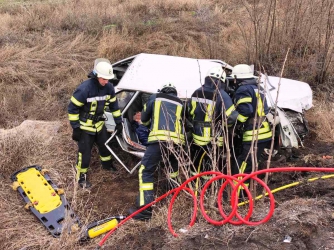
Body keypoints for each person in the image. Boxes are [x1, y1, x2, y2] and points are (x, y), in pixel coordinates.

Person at [128, 83, 186, 220]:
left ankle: (144, 209)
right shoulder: (181, 103)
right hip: (177, 143)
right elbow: (184, 122)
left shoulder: (155, 97)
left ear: (162, 90)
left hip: (159, 141)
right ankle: (173, 197)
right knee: (173, 170)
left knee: (146, 170)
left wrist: (151, 124)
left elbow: (144, 119)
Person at [68, 58, 123, 188]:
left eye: (108, 79)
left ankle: (107, 166)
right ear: (97, 75)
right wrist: (76, 128)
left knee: (105, 147)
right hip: (85, 127)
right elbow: (72, 109)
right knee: (84, 153)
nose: (106, 81)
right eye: (104, 79)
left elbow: (114, 106)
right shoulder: (84, 89)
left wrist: (118, 122)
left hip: (99, 125)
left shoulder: (109, 88)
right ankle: (81, 178)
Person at [187, 66, 239, 175]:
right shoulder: (222, 95)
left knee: (195, 163)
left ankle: (193, 185)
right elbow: (232, 117)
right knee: (209, 165)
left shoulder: (196, 92)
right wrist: (224, 124)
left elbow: (189, 112)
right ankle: (208, 187)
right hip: (213, 138)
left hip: (196, 135)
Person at [231, 64, 272, 193]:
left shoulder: (243, 89)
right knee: (251, 163)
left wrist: (235, 121)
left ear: (238, 78)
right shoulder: (258, 88)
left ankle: (237, 194)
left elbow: (246, 111)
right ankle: (247, 191)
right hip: (264, 133)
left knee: (242, 165)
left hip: (253, 133)